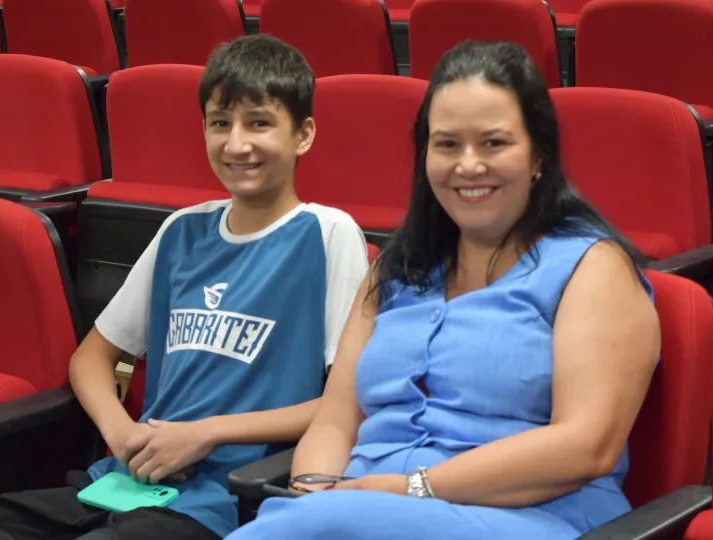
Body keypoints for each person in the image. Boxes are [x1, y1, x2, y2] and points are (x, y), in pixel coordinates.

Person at [0, 35, 369, 540]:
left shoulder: (329, 233)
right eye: (220, 123)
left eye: (259, 123)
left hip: (226, 499)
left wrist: (208, 433)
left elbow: (346, 404)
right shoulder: (181, 231)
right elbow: (90, 360)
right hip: (126, 482)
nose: (237, 144)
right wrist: (121, 435)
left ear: (303, 134)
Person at [223, 40, 662, 540]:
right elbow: (335, 421)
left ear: (538, 155)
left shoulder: (593, 266)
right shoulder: (398, 264)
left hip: (533, 517)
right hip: (358, 513)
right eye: (448, 144)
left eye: (493, 143)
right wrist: (309, 495)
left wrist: (406, 489)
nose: (468, 165)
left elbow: (587, 446)